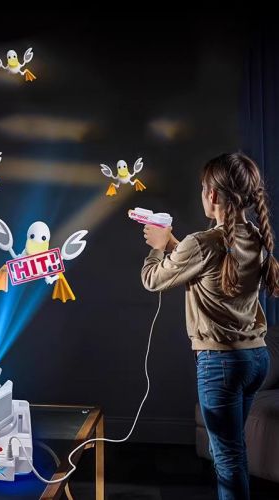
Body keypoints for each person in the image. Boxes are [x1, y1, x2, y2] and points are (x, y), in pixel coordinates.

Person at [140, 152, 279, 500]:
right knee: (232, 451)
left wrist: (157, 249)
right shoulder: (255, 237)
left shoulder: (203, 243)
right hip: (256, 360)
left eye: (204, 187)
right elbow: (207, 264)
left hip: (221, 365)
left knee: (228, 458)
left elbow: (153, 279)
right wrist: (173, 243)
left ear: (213, 194)